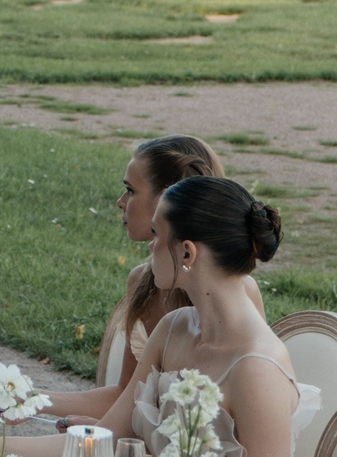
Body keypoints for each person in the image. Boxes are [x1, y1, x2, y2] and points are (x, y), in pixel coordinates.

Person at [101, 176, 314, 457]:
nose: (148, 246)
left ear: (186, 252)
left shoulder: (256, 369)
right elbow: (104, 440)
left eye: (157, 235)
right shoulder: (172, 329)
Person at [49, 136, 241, 425]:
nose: (120, 202)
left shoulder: (233, 294)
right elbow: (127, 395)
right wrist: (26, 398)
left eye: (130, 190)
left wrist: (110, 436)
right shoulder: (142, 280)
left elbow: (224, 422)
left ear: (166, 197)